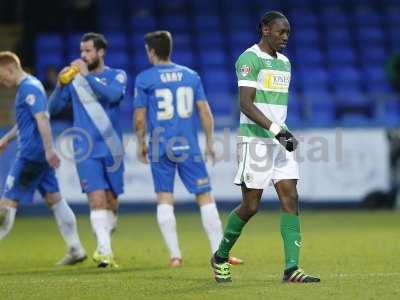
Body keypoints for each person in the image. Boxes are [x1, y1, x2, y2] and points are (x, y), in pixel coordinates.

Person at [210, 11, 320, 283]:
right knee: (251, 206)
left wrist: (281, 133)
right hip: (256, 141)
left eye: (288, 34)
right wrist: (275, 131)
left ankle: (291, 269)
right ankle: (220, 256)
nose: (285, 38)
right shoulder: (249, 59)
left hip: (279, 140)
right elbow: (246, 104)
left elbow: (273, 104)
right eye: (281, 32)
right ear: (265, 29)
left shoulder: (284, 63)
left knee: (290, 198)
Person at [134, 30, 242, 267]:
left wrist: (141, 143)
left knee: (164, 198)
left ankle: (175, 256)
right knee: (205, 197)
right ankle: (219, 253)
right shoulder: (190, 75)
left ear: (151, 51)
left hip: (159, 146)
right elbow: (204, 111)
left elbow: (140, 118)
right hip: (189, 146)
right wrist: (211, 142)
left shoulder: (145, 78)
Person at [0, 51, 86, 265]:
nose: (2, 81)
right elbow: (26, 122)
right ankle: (76, 248)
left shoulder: (29, 88)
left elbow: (42, 118)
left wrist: (49, 150)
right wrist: (7, 139)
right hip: (38, 155)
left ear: (10, 67)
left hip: (30, 154)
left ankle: (76, 248)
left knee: (6, 205)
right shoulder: (28, 87)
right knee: (54, 199)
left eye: (2, 76)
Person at [49, 33, 127, 268]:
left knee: (112, 203)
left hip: (112, 147)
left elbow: (113, 95)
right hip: (86, 149)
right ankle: (104, 252)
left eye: (88, 51)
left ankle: (104, 241)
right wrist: (60, 85)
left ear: (101, 52)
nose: (83, 55)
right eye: (82, 51)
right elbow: (52, 109)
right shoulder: (73, 80)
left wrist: (86, 77)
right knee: (96, 199)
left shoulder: (117, 75)